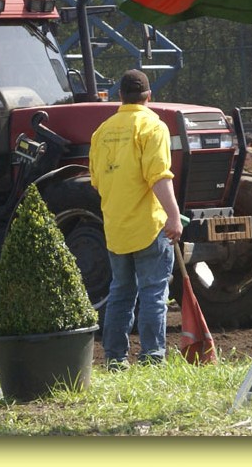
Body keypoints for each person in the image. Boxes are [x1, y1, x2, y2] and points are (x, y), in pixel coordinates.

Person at [89, 69, 182, 369]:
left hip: (116, 227)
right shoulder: (152, 126)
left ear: (120, 96)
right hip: (149, 227)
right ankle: (152, 356)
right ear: (148, 96)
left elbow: (96, 181)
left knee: (120, 292)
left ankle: (115, 358)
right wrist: (174, 216)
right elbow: (159, 177)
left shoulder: (101, 131)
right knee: (153, 292)